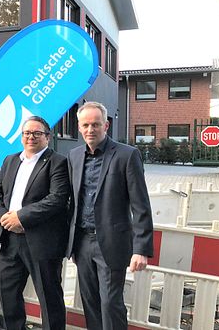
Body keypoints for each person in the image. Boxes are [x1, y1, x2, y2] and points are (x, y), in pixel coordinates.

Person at [67, 101, 153, 330]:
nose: (90, 129)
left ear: (106, 125)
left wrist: (141, 249)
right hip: (82, 241)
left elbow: (141, 205)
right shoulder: (74, 156)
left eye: (95, 124)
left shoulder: (127, 155)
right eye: (85, 125)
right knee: (90, 302)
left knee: (110, 303)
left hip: (112, 243)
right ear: (79, 127)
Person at [0, 116, 70, 330]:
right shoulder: (10, 160)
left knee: (49, 298)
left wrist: (21, 217)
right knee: (8, 295)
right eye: (26, 133)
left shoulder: (58, 162)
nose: (30, 137)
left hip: (41, 242)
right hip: (9, 239)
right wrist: (3, 217)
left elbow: (57, 199)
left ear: (47, 137)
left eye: (37, 133)